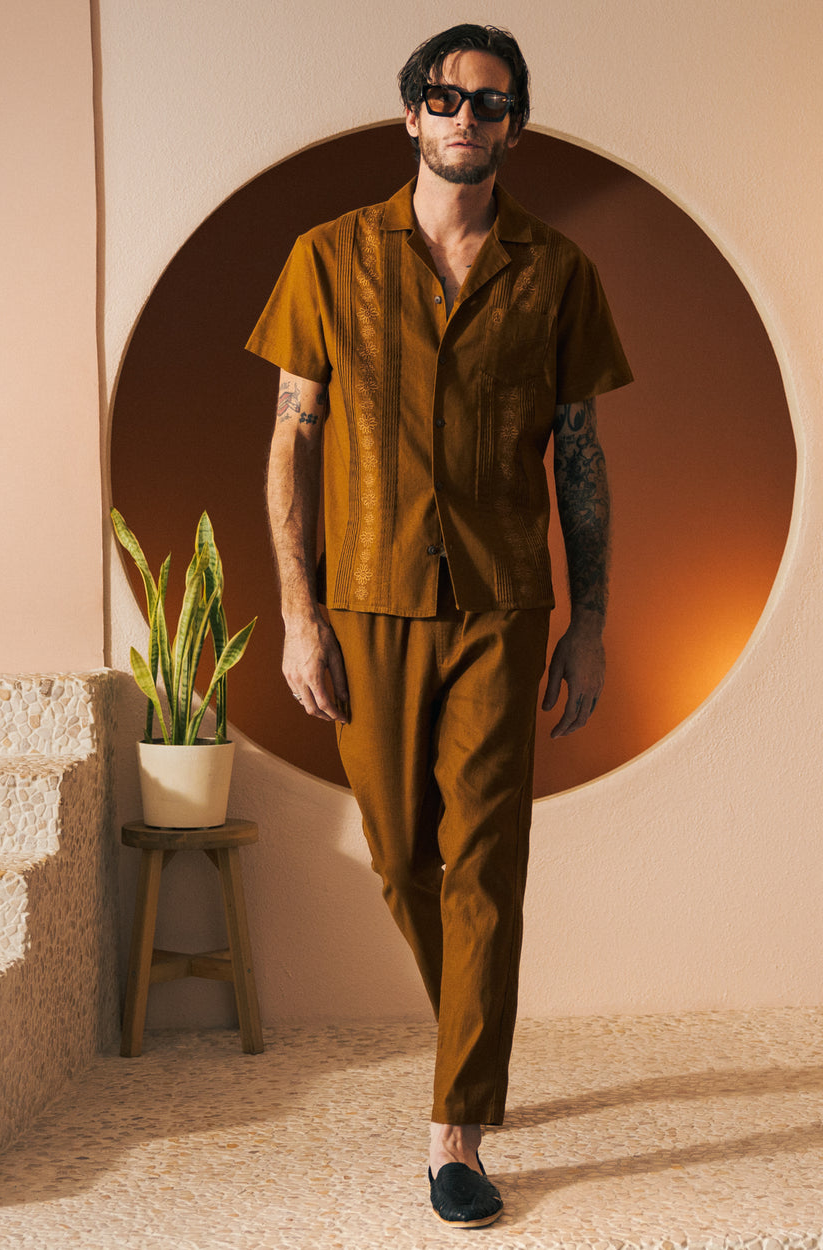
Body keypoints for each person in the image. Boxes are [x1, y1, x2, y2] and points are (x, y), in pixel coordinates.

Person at [247, 22, 632, 1229]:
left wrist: (589, 621)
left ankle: (454, 1125)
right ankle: (474, 1036)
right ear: (410, 114)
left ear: (514, 125)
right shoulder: (325, 257)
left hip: (503, 601)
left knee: (487, 859)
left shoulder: (557, 272)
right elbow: (291, 442)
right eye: (444, 95)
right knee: (401, 856)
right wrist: (298, 615)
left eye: (491, 99)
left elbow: (578, 454)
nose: (466, 114)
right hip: (365, 600)